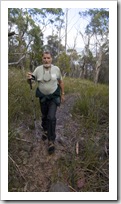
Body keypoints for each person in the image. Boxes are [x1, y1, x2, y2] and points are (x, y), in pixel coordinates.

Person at [27, 51, 65, 154]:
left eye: (48, 58)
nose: (46, 60)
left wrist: (62, 94)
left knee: (51, 117)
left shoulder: (56, 69)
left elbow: (60, 82)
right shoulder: (38, 69)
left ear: (51, 58)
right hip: (42, 97)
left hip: (53, 97)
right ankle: (45, 130)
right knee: (44, 116)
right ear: (42, 59)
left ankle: (51, 141)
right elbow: (32, 80)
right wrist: (29, 78)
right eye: (44, 58)